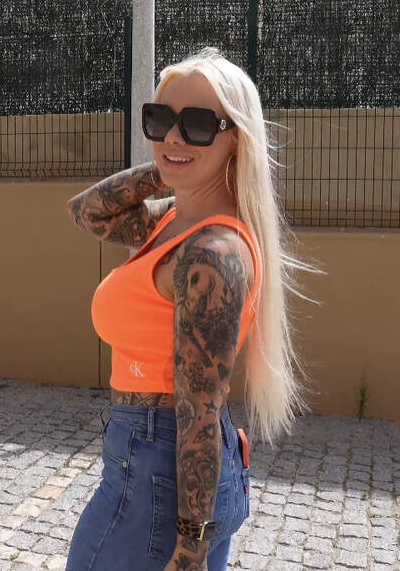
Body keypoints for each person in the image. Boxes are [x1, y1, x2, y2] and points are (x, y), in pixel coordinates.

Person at [64, 47, 317, 571]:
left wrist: (190, 550)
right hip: (155, 462)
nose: (173, 136)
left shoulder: (212, 253)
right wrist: (173, 164)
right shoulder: (171, 221)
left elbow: (199, 407)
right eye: (160, 120)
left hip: (160, 468)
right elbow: (86, 212)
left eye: (198, 124)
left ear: (236, 138)